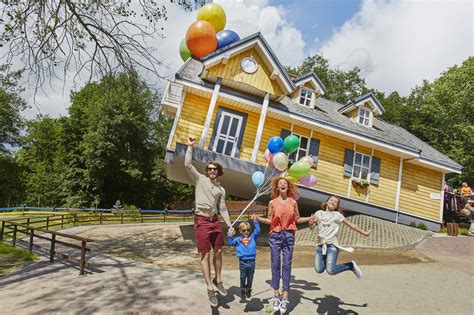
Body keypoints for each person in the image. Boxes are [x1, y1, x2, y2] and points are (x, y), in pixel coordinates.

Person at [185, 136, 232, 307]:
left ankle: (218, 280)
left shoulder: (221, 189)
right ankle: (209, 288)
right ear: (206, 171)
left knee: (218, 251)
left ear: (218, 172)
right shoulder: (200, 179)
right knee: (205, 254)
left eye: (214, 169)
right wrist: (190, 147)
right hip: (202, 221)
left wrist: (229, 224)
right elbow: (188, 165)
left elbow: (223, 208)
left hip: (215, 222)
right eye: (209, 169)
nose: (211, 171)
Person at [256, 176, 312, 314]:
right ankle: (276, 295)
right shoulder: (272, 202)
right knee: (275, 264)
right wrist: (258, 219)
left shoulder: (293, 202)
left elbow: (297, 219)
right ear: (276, 187)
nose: (282, 185)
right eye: (280, 183)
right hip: (275, 235)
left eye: (285, 183)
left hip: (289, 235)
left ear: (288, 187)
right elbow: (270, 220)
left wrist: (310, 218)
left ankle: (285, 297)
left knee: (286, 265)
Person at [309, 196, 371, 279]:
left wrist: (365, 233)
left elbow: (351, 225)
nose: (333, 202)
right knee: (319, 269)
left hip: (332, 246)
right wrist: (311, 223)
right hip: (320, 246)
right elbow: (312, 227)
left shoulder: (337, 215)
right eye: (331, 200)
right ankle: (329, 263)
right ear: (326, 202)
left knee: (331, 271)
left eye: (336, 202)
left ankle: (350, 265)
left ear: (336, 206)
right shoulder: (318, 213)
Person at [227, 215, 261, 299]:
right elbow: (230, 243)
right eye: (244, 230)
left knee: (250, 277)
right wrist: (229, 235)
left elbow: (258, 231)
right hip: (243, 262)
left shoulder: (253, 237)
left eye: (248, 230)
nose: (246, 232)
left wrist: (255, 222)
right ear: (240, 231)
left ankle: (248, 289)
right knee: (243, 277)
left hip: (252, 261)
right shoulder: (238, 239)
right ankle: (242, 290)